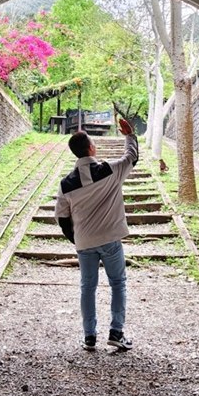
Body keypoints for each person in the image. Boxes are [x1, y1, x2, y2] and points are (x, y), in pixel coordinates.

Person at [54, 117, 138, 351]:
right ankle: (116, 332)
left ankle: (89, 336)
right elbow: (131, 157)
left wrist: (76, 239)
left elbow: (61, 217)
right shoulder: (110, 170)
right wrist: (130, 135)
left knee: (87, 287)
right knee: (118, 283)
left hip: (84, 242)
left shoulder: (66, 184)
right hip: (110, 238)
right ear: (91, 148)